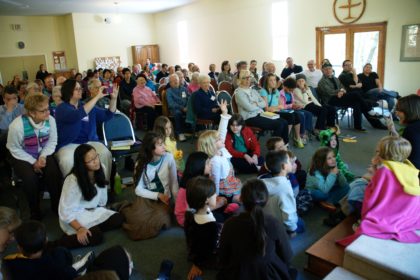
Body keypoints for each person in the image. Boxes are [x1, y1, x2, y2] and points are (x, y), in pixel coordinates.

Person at [338, 136, 420, 246]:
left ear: (384, 153)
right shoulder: (409, 168)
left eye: (378, 151)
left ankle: (343, 213)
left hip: (389, 215)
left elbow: (374, 197)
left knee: (357, 187)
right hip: (409, 214)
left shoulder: (384, 170)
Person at [217, 179, 295, 280]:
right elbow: (287, 255)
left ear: (241, 199)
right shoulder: (273, 222)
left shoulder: (230, 223)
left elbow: (223, 256)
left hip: (238, 273)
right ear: (266, 200)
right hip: (268, 273)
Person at [3, 220, 133, 280]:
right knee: (120, 254)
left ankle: (80, 266)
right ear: (46, 240)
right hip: (67, 273)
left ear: (19, 247)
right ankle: (79, 266)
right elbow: (67, 272)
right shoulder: (55, 260)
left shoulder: (10, 263)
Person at [7, 94, 63, 219]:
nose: (48, 113)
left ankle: (56, 205)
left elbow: (52, 141)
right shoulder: (17, 126)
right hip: (23, 155)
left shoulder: (51, 120)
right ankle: (35, 211)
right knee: (30, 178)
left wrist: (42, 157)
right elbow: (13, 147)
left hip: (43, 152)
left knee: (53, 172)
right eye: (43, 111)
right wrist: (33, 161)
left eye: (48, 109)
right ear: (32, 112)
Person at [58, 144, 123, 249]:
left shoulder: (101, 168)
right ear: (82, 164)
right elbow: (65, 211)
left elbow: (102, 200)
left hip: (93, 210)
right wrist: (80, 229)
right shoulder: (72, 180)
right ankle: (63, 241)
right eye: (90, 160)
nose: (96, 161)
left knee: (118, 219)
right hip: (76, 215)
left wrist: (101, 210)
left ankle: (91, 229)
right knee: (96, 236)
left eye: (96, 156)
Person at [55, 80, 116, 181]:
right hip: (69, 144)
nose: (80, 91)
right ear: (68, 91)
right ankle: (73, 189)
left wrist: (114, 99)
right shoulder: (62, 108)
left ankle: (104, 186)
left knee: (105, 153)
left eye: (80, 88)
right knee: (66, 160)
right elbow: (77, 115)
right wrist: (97, 97)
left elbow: (108, 115)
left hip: (90, 142)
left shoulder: (86, 105)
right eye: (76, 89)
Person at [132, 132, 178, 236]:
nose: (164, 147)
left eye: (163, 144)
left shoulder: (169, 157)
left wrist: (176, 203)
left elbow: (174, 183)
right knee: (137, 219)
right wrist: (157, 195)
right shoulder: (141, 163)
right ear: (151, 148)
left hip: (165, 198)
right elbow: (138, 189)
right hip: (147, 196)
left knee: (162, 219)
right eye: (160, 145)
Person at [317, 62, 382, 131]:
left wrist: (341, 91)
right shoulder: (322, 81)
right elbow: (329, 92)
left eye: (329, 69)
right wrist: (339, 92)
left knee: (357, 103)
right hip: (330, 100)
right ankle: (369, 110)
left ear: (332, 69)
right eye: (326, 69)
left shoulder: (335, 78)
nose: (328, 70)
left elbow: (343, 87)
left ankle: (358, 126)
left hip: (339, 97)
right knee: (355, 94)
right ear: (323, 71)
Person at [197, 100, 241, 201]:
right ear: (212, 145)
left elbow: (222, 131)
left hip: (230, 181)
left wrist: (224, 113)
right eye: (218, 139)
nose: (222, 139)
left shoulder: (221, 149)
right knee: (241, 200)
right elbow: (215, 181)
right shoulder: (215, 160)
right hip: (222, 188)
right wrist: (216, 198)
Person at [234, 70, 289, 143]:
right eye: (244, 78)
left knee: (284, 122)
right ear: (240, 80)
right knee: (279, 125)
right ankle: (274, 148)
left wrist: (255, 104)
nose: (248, 79)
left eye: (249, 77)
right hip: (249, 118)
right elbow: (250, 108)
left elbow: (264, 103)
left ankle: (284, 144)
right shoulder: (239, 93)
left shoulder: (252, 90)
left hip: (260, 114)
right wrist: (258, 104)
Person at [184, 177, 220, 280]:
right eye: (213, 194)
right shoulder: (210, 226)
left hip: (196, 249)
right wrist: (197, 264)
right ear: (206, 200)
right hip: (207, 257)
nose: (216, 195)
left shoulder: (190, 212)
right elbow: (208, 248)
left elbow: (192, 239)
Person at [262, 151, 304, 236]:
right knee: (301, 224)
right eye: (289, 161)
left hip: (265, 221)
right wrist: (292, 229)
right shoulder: (285, 188)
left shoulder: (261, 181)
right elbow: (288, 215)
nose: (292, 163)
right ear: (284, 166)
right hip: (279, 225)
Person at [260, 73, 302, 147]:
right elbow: (266, 109)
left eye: (274, 80)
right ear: (266, 82)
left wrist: (276, 107)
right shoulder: (263, 91)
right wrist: (277, 107)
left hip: (277, 111)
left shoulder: (276, 91)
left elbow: (281, 106)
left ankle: (294, 138)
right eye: (271, 80)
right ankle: (284, 141)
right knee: (290, 116)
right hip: (268, 113)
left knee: (296, 115)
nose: (273, 82)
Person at [388, 94, 420, 169]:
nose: (396, 113)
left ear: (409, 111)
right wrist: (393, 131)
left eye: (399, 110)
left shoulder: (411, 129)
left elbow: (402, 154)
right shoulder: (415, 127)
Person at [280, 77, 313, 145]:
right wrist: (292, 106)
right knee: (301, 115)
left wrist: (296, 105)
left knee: (308, 114)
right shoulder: (281, 94)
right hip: (286, 110)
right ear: (285, 86)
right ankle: (301, 134)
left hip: (292, 109)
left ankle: (306, 131)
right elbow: (282, 106)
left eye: (292, 90)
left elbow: (293, 102)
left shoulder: (290, 92)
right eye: (290, 90)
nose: (291, 91)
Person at [0, 86, 25, 163]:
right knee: (8, 132)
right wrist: (9, 110)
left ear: (17, 98)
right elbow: (4, 128)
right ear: (3, 99)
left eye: (14, 98)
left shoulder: (22, 108)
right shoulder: (0, 109)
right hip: (6, 139)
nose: (12, 101)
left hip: (22, 137)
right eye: (8, 99)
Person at [165, 74, 188, 141]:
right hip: (175, 109)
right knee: (178, 113)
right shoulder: (169, 91)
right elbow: (171, 103)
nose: (175, 82)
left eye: (176, 80)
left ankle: (196, 130)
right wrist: (182, 108)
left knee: (194, 110)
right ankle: (180, 133)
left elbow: (188, 99)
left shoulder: (184, 89)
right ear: (170, 83)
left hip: (185, 108)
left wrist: (187, 107)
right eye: (173, 81)